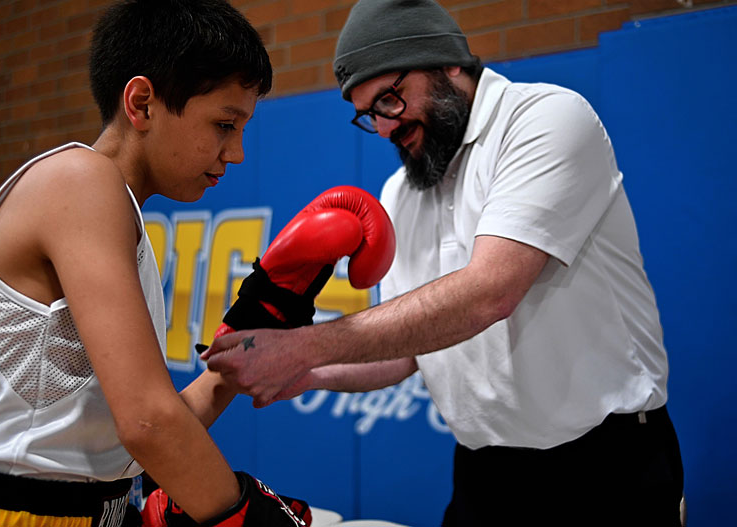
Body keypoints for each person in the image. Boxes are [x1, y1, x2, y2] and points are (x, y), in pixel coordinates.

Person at [202, 0, 685, 525]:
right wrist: (308, 371)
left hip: (606, 466)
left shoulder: (544, 119)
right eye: (368, 114)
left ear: (447, 62)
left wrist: (300, 346)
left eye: (389, 98)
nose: (384, 128)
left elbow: (489, 293)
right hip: (486, 471)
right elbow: (407, 352)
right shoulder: (403, 190)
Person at [0, 1, 311, 526]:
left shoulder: (114, 212)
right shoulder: (80, 181)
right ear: (142, 103)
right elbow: (147, 423)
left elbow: (131, 434)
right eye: (225, 124)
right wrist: (242, 515)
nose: (237, 152)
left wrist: (254, 328)